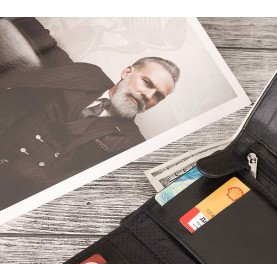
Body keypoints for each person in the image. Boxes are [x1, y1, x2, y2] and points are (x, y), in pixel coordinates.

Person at [0, 17, 180, 210]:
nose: (148, 95)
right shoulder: (88, 75)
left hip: (18, 189)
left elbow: (87, 193)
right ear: (127, 72)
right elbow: (49, 47)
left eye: (158, 96)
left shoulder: (131, 144)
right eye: (147, 83)